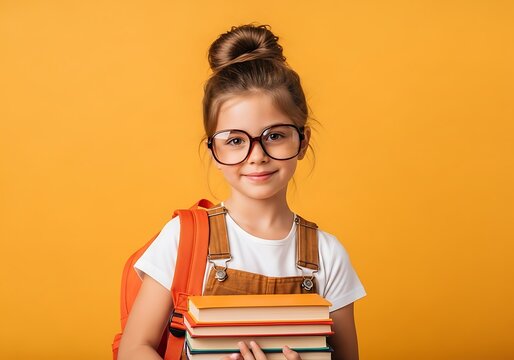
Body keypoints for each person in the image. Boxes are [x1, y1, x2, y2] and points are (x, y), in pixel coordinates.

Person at [118, 23, 366, 360]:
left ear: (303, 140)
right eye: (236, 140)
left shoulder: (328, 255)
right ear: (213, 151)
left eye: (275, 135)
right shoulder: (184, 239)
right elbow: (135, 348)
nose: (257, 155)